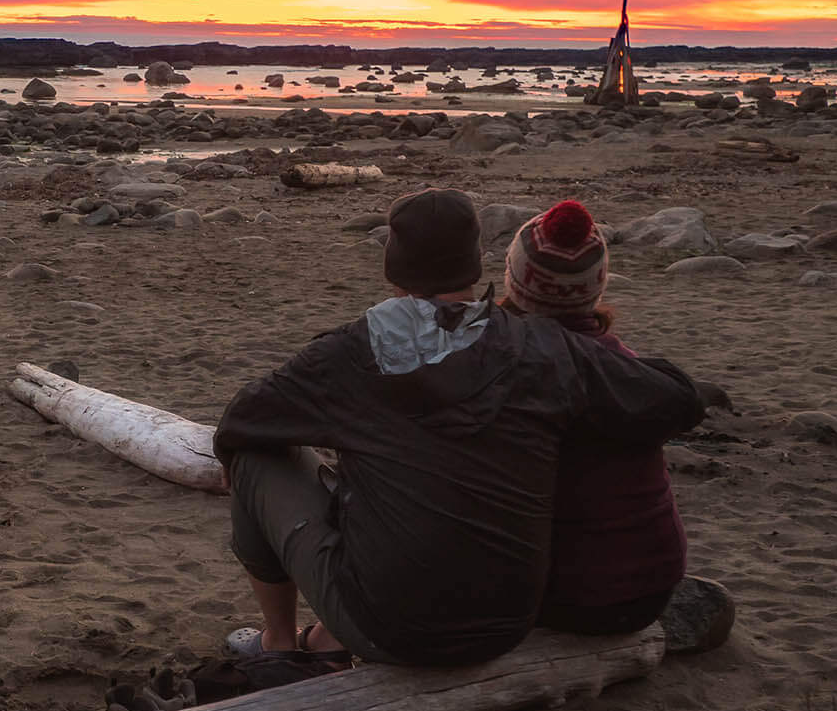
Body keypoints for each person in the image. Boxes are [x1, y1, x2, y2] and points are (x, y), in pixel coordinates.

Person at [213, 188, 705, 669]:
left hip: (393, 631)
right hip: (508, 624)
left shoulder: (349, 352)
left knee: (255, 455)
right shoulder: (542, 346)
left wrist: (235, 454)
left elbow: (242, 420)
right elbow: (677, 400)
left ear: (392, 265)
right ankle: (321, 637)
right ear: (476, 263)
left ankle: (278, 640)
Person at [500, 199, 686, 634]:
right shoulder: (628, 368)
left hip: (568, 595)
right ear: (596, 287)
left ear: (515, 279)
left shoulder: (513, 370)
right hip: (653, 587)